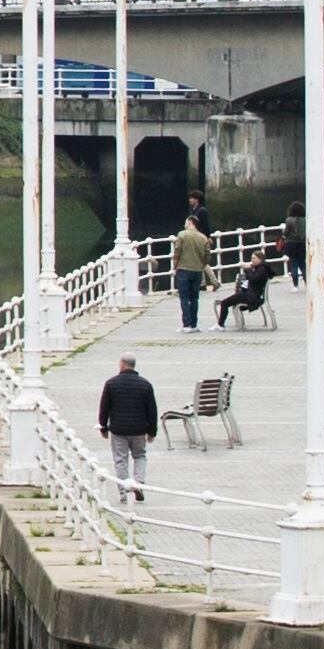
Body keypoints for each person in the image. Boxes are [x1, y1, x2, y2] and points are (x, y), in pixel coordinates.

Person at [98, 354, 159, 501]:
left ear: (123, 364)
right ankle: (139, 484)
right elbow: (152, 410)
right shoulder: (145, 384)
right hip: (139, 430)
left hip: (118, 429)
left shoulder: (111, 384)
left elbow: (104, 407)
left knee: (121, 460)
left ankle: (124, 492)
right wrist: (152, 431)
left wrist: (103, 427)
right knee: (140, 456)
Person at [168, 206, 212, 331]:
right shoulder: (203, 238)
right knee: (194, 298)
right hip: (197, 271)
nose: (185, 225)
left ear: (190, 222)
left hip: (184, 269)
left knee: (184, 297)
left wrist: (175, 265)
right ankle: (194, 324)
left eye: (186, 223)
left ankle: (186, 323)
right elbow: (208, 255)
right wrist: (202, 264)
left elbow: (177, 252)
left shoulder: (182, 235)